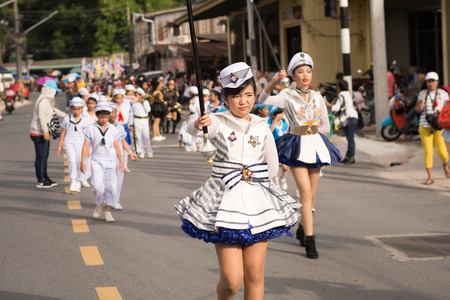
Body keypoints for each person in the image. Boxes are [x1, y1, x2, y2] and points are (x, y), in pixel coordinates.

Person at [175, 62, 300, 300]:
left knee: (254, 276)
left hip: (257, 204)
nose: (243, 101)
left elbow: (272, 168)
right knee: (232, 281)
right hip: (225, 205)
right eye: (236, 96)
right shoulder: (217, 121)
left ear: (255, 95)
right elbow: (191, 130)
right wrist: (198, 123)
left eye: (249, 95)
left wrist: (255, 174)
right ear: (225, 98)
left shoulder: (262, 125)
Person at [259, 52, 342, 259]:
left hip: (315, 146)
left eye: (308, 71)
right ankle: (311, 241)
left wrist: (319, 143)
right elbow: (262, 100)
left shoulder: (317, 97)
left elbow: (325, 125)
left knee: (311, 196)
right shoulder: (287, 95)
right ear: (293, 76)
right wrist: (274, 81)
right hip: (296, 145)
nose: (305, 75)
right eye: (300, 72)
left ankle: (302, 229)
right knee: (305, 193)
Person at [81, 103, 123, 223]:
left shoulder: (112, 128)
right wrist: (82, 161)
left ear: (109, 116)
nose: (103, 120)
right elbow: (85, 145)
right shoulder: (91, 128)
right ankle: (99, 204)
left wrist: (120, 161)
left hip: (111, 161)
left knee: (110, 187)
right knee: (98, 187)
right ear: (97, 116)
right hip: (96, 161)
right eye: (101, 117)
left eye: (106, 117)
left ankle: (108, 211)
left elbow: (116, 145)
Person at [415, 71, 450, 184]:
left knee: (442, 152)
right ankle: (430, 177)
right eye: (429, 82)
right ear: (426, 83)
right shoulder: (422, 94)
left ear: (437, 82)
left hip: (439, 126)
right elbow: (417, 109)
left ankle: (445, 165)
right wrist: (420, 106)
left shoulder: (443, 94)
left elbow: (448, 109)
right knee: (428, 152)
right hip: (425, 125)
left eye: (433, 82)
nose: (431, 84)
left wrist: (442, 111)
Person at [30, 81, 67, 188]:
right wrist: (45, 131)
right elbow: (42, 117)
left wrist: (64, 115)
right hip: (39, 133)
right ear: (50, 90)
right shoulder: (43, 101)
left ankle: (45, 177)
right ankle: (41, 180)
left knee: (44, 156)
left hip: (42, 132)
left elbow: (53, 110)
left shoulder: (46, 100)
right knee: (41, 157)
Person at [56, 97, 93, 192]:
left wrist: (88, 148)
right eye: (74, 109)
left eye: (78, 109)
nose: (76, 111)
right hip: (69, 143)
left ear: (82, 108)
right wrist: (60, 145)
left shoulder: (86, 120)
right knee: (72, 161)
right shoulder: (67, 119)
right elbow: (63, 132)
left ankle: (79, 181)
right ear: (71, 108)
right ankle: (73, 181)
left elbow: (88, 135)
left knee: (80, 162)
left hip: (82, 144)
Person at [108, 102, 138, 210]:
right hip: (106, 157)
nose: (113, 114)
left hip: (118, 156)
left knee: (118, 179)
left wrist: (130, 153)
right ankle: (107, 197)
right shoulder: (103, 126)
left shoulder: (120, 127)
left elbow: (123, 141)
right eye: (110, 112)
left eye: (115, 112)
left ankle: (115, 200)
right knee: (108, 180)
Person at [332, 80, 359, 164]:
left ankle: (351, 157)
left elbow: (336, 107)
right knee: (349, 138)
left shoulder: (342, 94)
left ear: (339, 87)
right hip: (352, 116)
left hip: (349, 117)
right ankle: (348, 156)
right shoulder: (347, 93)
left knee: (350, 138)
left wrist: (329, 104)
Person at [398, 68, 427, 142]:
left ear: (423, 74)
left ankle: (404, 135)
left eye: (419, 75)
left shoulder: (426, 84)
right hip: (421, 105)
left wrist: (417, 105)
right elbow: (420, 95)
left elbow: (422, 97)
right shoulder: (424, 83)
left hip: (423, 106)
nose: (418, 77)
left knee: (407, 117)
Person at [267, 107, 290, 189]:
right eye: (278, 113)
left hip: (283, 147)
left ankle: (282, 178)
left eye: (281, 113)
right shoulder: (269, 121)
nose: (281, 115)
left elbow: (287, 132)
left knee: (285, 167)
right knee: (275, 165)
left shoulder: (284, 122)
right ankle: (277, 184)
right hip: (274, 146)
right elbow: (270, 131)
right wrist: (275, 120)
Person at [130, 87, 153, 159]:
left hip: (144, 120)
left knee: (146, 137)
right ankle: (141, 151)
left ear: (141, 95)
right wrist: (131, 124)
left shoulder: (145, 102)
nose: (135, 96)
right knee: (138, 137)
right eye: (135, 95)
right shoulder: (134, 103)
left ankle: (149, 152)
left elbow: (148, 110)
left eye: (137, 95)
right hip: (136, 120)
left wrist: (143, 102)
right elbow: (131, 114)